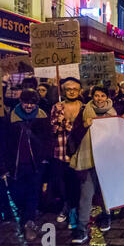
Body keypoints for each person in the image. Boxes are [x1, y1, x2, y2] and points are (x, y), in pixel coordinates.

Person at [70, 86, 120, 244]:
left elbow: (120, 134)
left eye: (102, 95)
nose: (99, 99)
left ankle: (106, 216)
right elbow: (74, 134)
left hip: (107, 159)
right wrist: (84, 125)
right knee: (86, 193)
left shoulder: (113, 112)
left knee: (106, 191)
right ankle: (81, 227)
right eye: (96, 96)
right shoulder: (85, 111)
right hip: (88, 159)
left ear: (107, 97)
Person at [6, 89, 52, 241]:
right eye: (26, 103)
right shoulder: (11, 116)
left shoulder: (42, 116)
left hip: (36, 163)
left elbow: (47, 138)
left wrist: (45, 158)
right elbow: (4, 141)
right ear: (21, 102)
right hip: (16, 163)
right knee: (16, 192)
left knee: (33, 191)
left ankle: (29, 221)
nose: (29, 106)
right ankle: (25, 214)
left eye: (32, 103)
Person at [50, 77, 84, 229]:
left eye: (74, 89)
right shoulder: (57, 107)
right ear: (64, 90)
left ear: (79, 91)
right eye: (68, 89)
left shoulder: (84, 107)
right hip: (62, 152)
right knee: (64, 184)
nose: (71, 91)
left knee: (78, 184)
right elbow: (54, 128)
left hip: (80, 153)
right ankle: (68, 208)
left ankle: (75, 210)